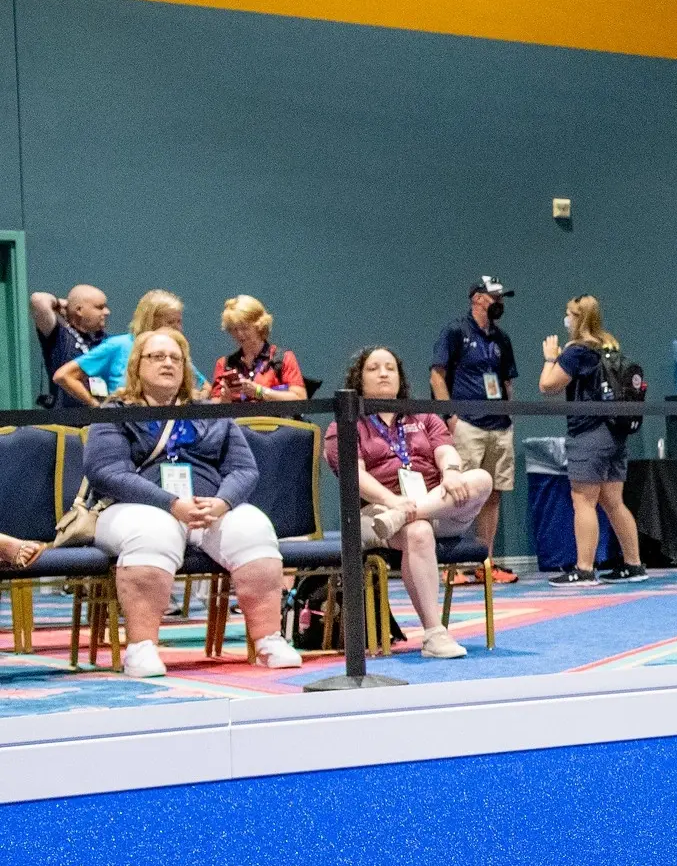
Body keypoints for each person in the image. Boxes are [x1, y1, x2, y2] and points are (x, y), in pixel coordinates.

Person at [83, 327, 300, 678]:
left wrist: (223, 502)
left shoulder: (210, 412)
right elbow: (107, 473)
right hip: (132, 510)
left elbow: (244, 469)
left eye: (175, 358)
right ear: (137, 365)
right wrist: (170, 504)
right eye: (157, 357)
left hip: (207, 507)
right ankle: (141, 649)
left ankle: (269, 640)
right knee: (153, 530)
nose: (167, 363)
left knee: (254, 526)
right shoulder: (114, 413)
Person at [324, 346, 493, 659]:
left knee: (481, 478)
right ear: (359, 379)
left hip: (437, 504)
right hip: (377, 513)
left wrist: (452, 472)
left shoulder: (423, 414)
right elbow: (354, 475)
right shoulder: (346, 424)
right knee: (418, 532)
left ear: (400, 377)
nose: (384, 373)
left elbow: (445, 450)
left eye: (390, 367)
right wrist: (392, 502)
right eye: (374, 368)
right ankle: (434, 634)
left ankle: (411, 513)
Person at [538, 295, 646, 586]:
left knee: (583, 501)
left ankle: (584, 570)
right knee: (613, 501)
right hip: (615, 434)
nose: (566, 320)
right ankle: (634, 564)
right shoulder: (609, 346)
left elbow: (548, 385)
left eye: (569, 314)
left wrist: (551, 357)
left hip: (589, 434)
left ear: (579, 318)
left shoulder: (577, 352)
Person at [431, 275, 519, 582]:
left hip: (499, 425)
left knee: (492, 495)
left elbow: (507, 381)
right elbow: (437, 376)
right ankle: (450, 565)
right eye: (495, 297)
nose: (500, 303)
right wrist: (449, 416)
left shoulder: (502, 339)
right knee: (460, 493)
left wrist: (510, 416)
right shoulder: (455, 332)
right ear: (477, 298)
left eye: (502, 297)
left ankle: (485, 563)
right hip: (466, 424)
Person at [53, 290, 183, 407]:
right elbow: (64, 375)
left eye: (179, 322)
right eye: (171, 322)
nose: (178, 329)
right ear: (150, 320)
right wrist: (98, 409)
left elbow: (202, 387)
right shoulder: (118, 345)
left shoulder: (173, 352)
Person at [209, 295, 307, 402]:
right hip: (237, 419)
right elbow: (214, 409)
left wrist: (259, 391)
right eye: (234, 329)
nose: (239, 334)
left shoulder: (283, 358)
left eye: (244, 328)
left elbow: (300, 398)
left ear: (259, 325)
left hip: (273, 418)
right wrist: (225, 400)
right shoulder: (224, 364)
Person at [30, 285, 110, 410]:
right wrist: (60, 304)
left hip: (101, 420)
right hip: (68, 421)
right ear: (79, 310)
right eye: (100, 307)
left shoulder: (107, 341)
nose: (106, 312)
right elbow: (38, 300)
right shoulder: (60, 336)